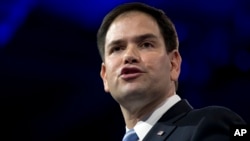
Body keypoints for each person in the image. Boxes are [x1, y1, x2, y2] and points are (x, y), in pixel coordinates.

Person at [96, 2, 246, 141]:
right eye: (117, 48)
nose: (129, 56)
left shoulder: (212, 123)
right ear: (105, 76)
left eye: (146, 44)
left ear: (173, 64)